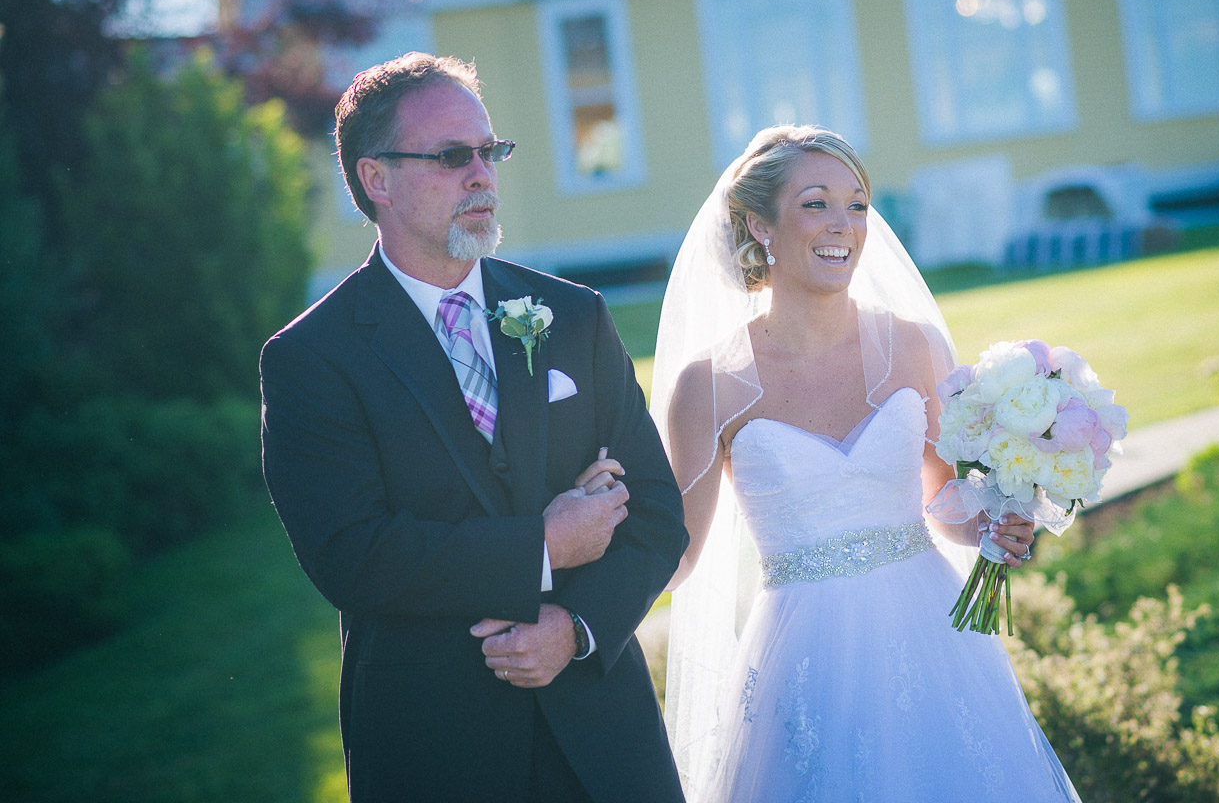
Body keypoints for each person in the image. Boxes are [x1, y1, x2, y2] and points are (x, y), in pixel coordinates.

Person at [259, 52, 688, 803]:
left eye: (490, 151)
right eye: (453, 156)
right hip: (434, 746)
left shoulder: (574, 316)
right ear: (375, 180)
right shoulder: (311, 359)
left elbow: (653, 511)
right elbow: (353, 556)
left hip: (603, 740)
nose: (482, 174)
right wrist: (544, 546)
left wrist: (575, 628)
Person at [653, 125, 1081, 802]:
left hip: (935, 637)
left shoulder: (913, 346)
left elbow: (945, 502)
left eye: (857, 204)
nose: (844, 225)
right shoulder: (709, 385)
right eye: (816, 202)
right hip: (804, 659)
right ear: (760, 224)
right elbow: (675, 554)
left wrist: (995, 526)